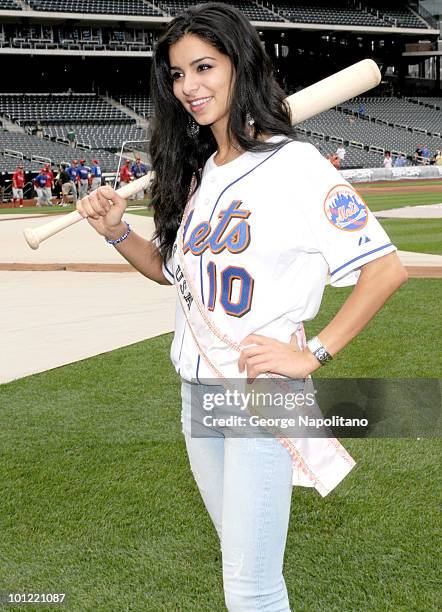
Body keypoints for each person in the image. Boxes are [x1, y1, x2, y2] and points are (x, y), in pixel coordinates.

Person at [76, 4, 407, 610]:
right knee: (241, 559)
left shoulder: (297, 166)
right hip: (195, 390)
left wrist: (315, 354)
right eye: (177, 75)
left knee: (250, 586)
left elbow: (387, 269)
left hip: (257, 392)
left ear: (240, 65)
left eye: (204, 67)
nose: (189, 87)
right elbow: (173, 276)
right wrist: (116, 232)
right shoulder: (202, 173)